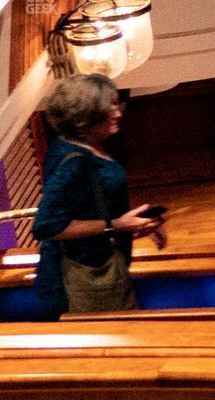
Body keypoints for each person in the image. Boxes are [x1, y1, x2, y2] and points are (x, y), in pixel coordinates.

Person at [30, 74, 163, 319]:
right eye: (108, 107)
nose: (118, 113)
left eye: (116, 104)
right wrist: (115, 225)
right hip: (90, 276)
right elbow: (47, 226)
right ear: (85, 114)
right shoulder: (73, 161)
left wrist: (133, 223)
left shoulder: (82, 147)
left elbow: (89, 204)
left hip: (104, 267)